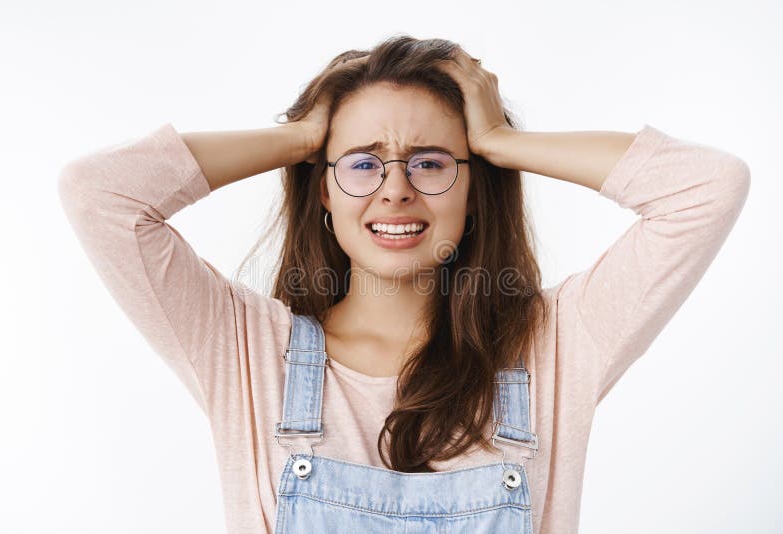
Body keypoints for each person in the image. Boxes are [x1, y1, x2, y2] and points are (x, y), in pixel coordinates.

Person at [57, 35, 750, 534]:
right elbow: (99, 194)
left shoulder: (556, 344)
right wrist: (302, 137)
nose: (395, 191)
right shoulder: (242, 348)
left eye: (430, 163)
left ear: (476, 189)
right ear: (320, 191)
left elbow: (707, 188)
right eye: (362, 165)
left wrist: (503, 143)